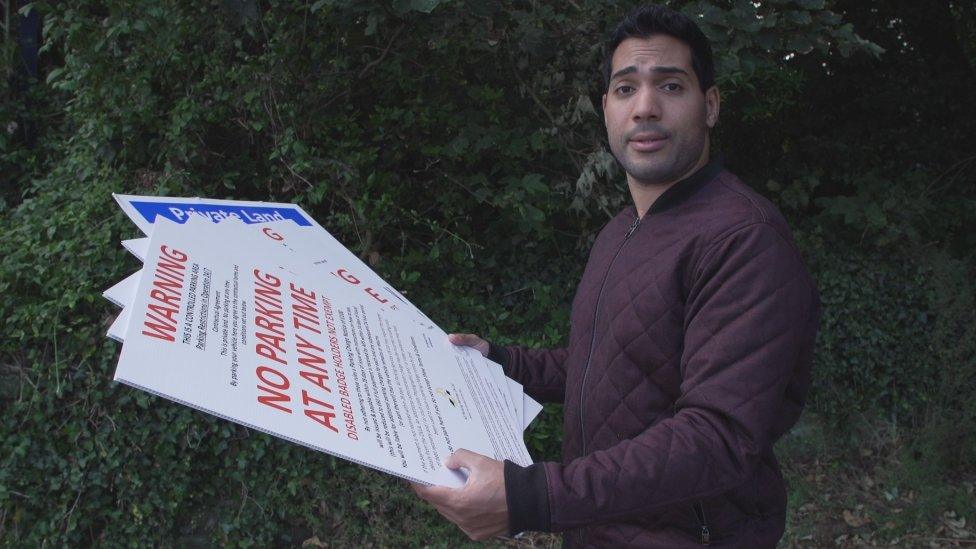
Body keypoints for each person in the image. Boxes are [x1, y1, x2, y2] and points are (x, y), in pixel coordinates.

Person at [412, 5, 820, 547]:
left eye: (671, 86)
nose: (645, 107)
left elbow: (718, 437)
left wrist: (535, 497)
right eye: (626, 89)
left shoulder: (743, 238)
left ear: (711, 105)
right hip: (599, 531)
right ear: (606, 107)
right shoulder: (622, 230)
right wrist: (503, 363)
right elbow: (608, 363)